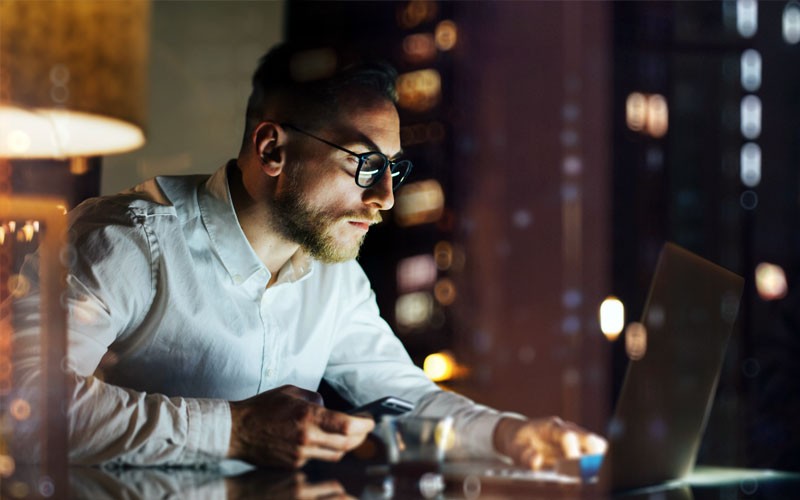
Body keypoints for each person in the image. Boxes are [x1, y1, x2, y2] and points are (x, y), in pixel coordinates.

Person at [13, 43, 605, 469]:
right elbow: (23, 404)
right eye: (366, 164)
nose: (385, 199)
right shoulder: (122, 239)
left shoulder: (336, 276)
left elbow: (405, 397)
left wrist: (512, 437)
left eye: (394, 168)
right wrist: (234, 431)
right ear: (273, 149)